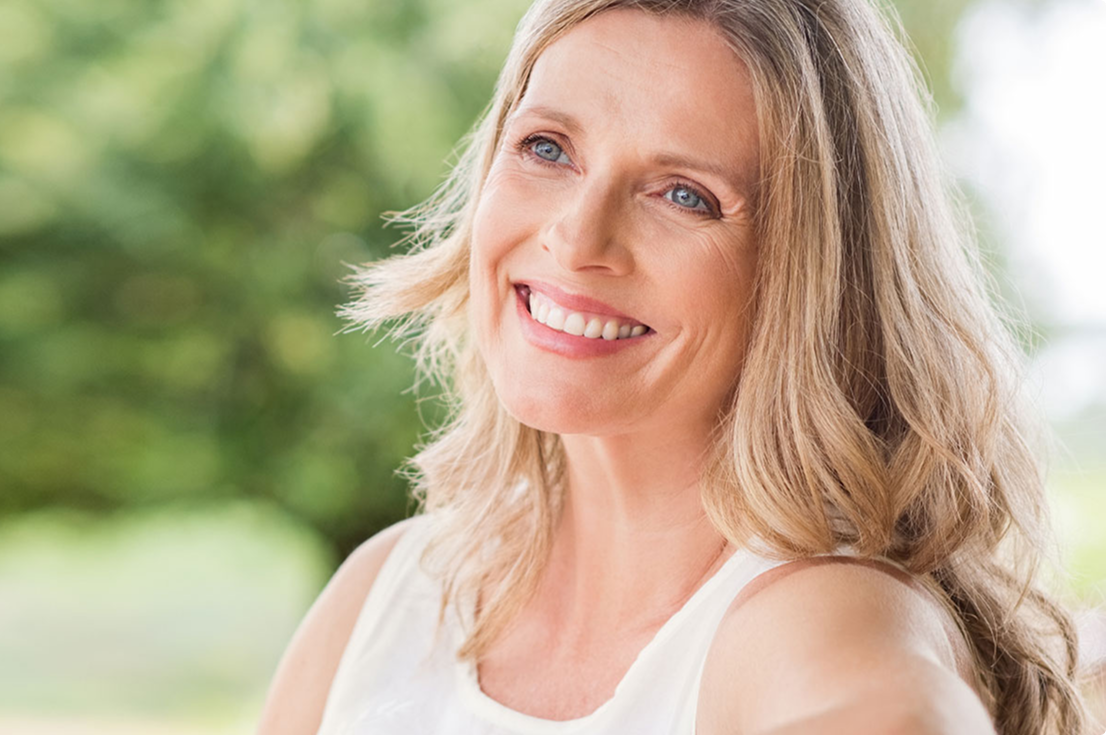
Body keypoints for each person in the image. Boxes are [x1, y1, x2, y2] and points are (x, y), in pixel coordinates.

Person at [255, 1, 1095, 733]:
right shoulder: (388, 591)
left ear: (809, 275)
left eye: (685, 194)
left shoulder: (816, 612)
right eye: (547, 148)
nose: (576, 239)